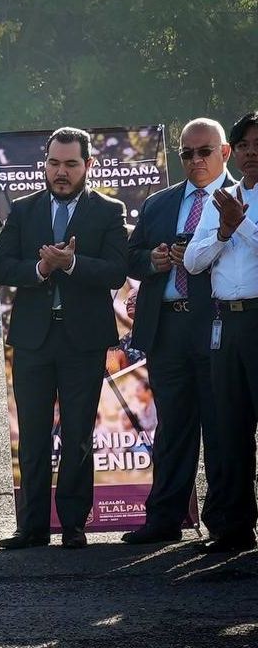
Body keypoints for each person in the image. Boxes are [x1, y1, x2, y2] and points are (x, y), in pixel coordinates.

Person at [0, 127, 128, 549]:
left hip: (83, 341)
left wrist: (71, 265)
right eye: (54, 163)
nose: (61, 172)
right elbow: (1, 268)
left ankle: (73, 524)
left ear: (88, 165)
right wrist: (40, 270)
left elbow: (115, 271)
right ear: (44, 165)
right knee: (31, 436)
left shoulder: (108, 211)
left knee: (77, 437)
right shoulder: (24, 209)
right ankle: (31, 527)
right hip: (33, 340)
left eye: (71, 164)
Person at [123, 118, 233, 545]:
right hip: (167, 325)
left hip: (218, 326)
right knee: (173, 428)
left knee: (223, 427)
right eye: (186, 153)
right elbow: (130, 260)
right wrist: (154, 259)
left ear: (224, 153)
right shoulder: (159, 204)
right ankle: (164, 519)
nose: (195, 160)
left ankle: (227, 521)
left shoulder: (240, 200)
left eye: (204, 151)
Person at [184, 111, 258, 553]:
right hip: (225, 324)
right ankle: (233, 527)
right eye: (245, 145)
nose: (252, 152)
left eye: (257, 144)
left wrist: (240, 225)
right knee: (229, 429)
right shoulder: (224, 197)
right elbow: (193, 261)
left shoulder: (234, 204)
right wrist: (225, 230)